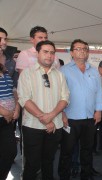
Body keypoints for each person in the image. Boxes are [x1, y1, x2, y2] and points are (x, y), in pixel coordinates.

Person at [17, 40, 69, 180]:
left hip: (55, 126)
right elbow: (24, 99)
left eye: (52, 53)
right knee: (32, 164)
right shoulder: (27, 74)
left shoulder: (59, 75)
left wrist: (51, 117)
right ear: (38, 53)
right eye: (45, 52)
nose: (49, 55)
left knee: (49, 162)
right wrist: (45, 119)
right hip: (33, 127)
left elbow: (65, 98)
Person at [58, 39, 102, 180]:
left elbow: (98, 92)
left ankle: (86, 175)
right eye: (78, 48)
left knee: (87, 150)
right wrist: (62, 114)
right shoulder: (63, 70)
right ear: (72, 52)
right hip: (70, 117)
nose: (82, 51)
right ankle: (64, 176)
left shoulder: (94, 71)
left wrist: (99, 110)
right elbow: (59, 94)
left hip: (90, 118)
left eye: (84, 48)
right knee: (67, 151)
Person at [0, 27, 20, 180]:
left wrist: (17, 107)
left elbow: (12, 87)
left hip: (8, 118)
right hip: (3, 115)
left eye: (5, 39)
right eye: (0, 39)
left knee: (10, 152)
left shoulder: (7, 62)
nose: (4, 42)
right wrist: (4, 111)